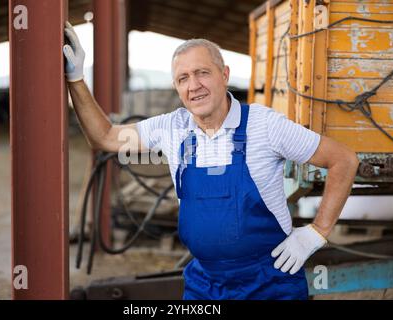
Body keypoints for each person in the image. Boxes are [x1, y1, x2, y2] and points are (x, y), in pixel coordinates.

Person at [63, 21, 359, 300]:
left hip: (270, 282)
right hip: (206, 285)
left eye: (202, 72)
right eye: (183, 78)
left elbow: (343, 160)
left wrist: (316, 232)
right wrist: (76, 79)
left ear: (224, 74)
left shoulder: (265, 125)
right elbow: (104, 137)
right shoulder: (171, 128)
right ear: (177, 88)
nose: (194, 85)